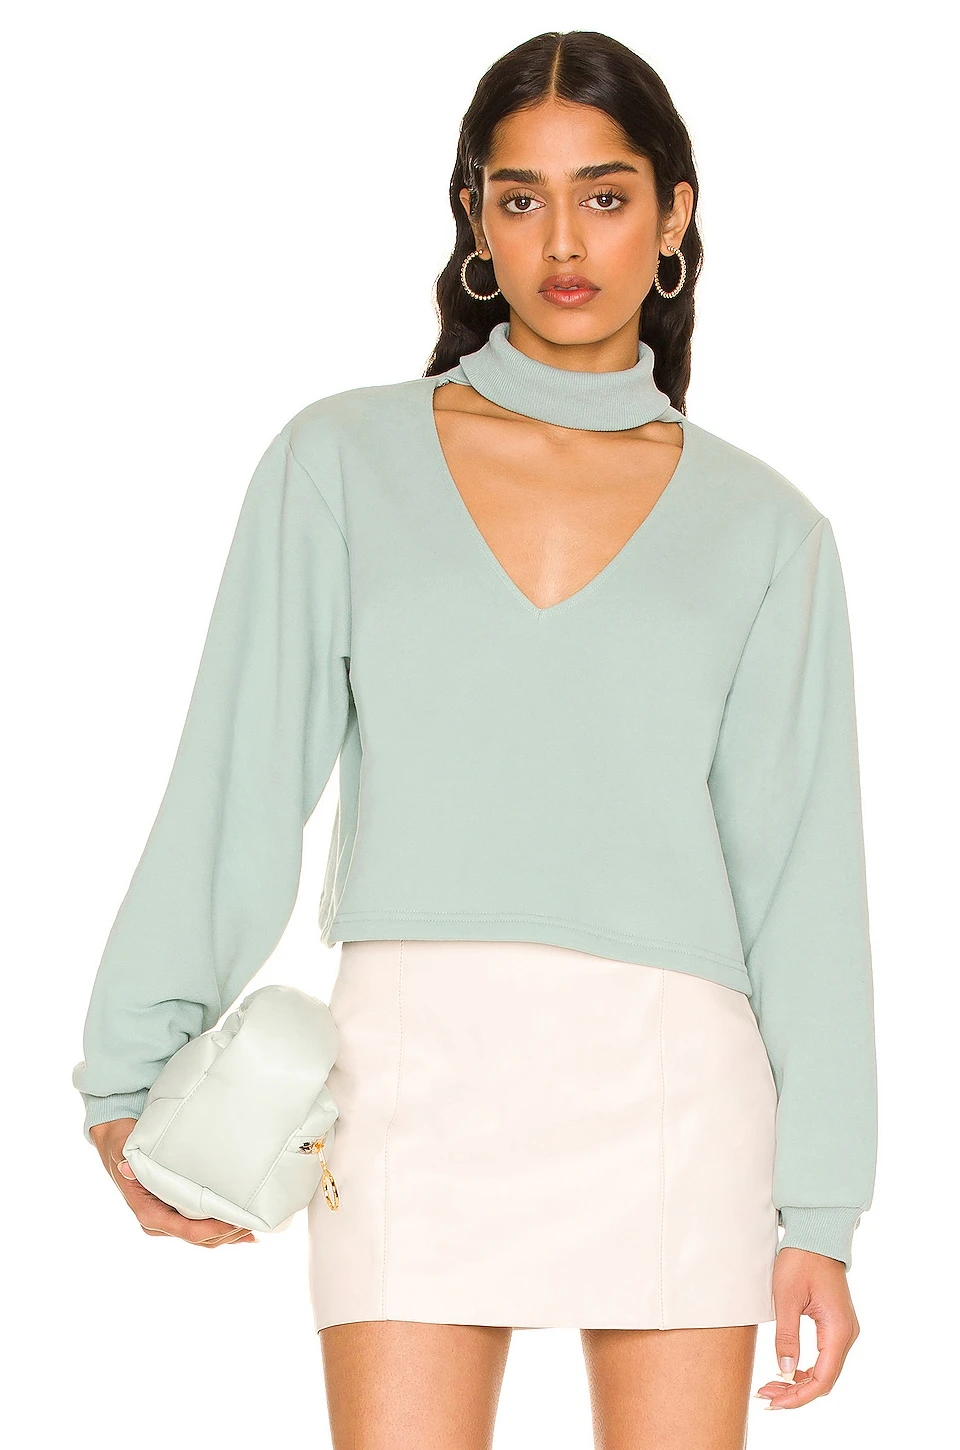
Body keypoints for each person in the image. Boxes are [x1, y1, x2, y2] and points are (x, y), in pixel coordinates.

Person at [72, 29, 878, 1450]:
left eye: (606, 195)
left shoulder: (769, 532)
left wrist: (821, 1208)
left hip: (674, 1088)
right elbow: (236, 776)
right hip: (408, 1077)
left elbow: (803, 883)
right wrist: (132, 1065)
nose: (563, 240)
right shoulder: (339, 462)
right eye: (521, 196)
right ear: (474, 217)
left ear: (674, 216)